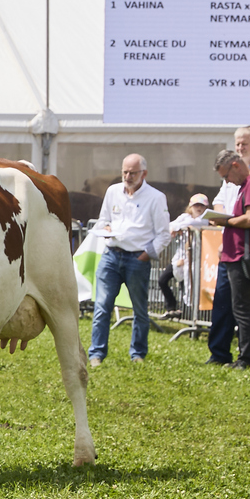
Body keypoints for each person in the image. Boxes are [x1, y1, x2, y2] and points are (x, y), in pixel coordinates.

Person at [86, 154, 170, 368]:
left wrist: (145, 254)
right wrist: (104, 229)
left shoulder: (155, 197)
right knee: (102, 306)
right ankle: (96, 354)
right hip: (111, 255)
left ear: (144, 173)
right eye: (125, 172)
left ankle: (138, 353)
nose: (128, 176)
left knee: (139, 309)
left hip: (137, 258)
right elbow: (103, 220)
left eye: (133, 172)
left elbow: (164, 234)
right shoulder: (113, 191)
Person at [209, 148, 250, 369]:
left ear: (236, 165)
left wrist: (224, 221)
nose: (228, 181)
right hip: (237, 254)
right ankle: (245, 357)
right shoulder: (247, 184)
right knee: (244, 308)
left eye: (227, 176)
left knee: (244, 310)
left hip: (244, 256)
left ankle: (247, 359)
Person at [159, 192, 211, 317]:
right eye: (196, 205)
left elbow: (193, 224)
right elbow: (170, 225)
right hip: (180, 256)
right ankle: (171, 307)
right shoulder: (184, 217)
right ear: (190, 206)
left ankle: (187, 313)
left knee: (188, 286)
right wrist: (175, 228)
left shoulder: (206, 220)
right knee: (163, 280)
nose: (198, 208)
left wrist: (178, 228)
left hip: (195, 259)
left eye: (201, 206)